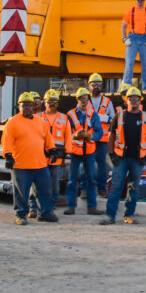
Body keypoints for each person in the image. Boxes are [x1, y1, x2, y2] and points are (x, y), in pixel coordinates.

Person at [99, 87, 146, 225]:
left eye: (136, 98)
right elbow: (111, 136)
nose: (133, 101)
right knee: (116, 186)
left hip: (138, 159)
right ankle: (110, 215)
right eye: (131, 98)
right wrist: (111, 154)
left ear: (140, 100)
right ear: (126, 100)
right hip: (121, 158)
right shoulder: (119, 115)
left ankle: (128, 215)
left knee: (134, 188)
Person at [2, 92, 57, 225]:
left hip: (40, 164)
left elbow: (47, 137)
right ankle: (20, 215)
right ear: (18, 106)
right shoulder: (13, 122)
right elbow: (6, 140)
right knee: (21, 192)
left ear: (33, 106)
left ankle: (45, 213)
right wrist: (8, 155)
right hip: (21, 165)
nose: (26, 108)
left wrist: (52, 149)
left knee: (45, 190)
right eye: (23, 105)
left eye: (29, 105)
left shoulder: (40, 121)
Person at [29, 89, 70, 218]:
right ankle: (34, 208)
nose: (51, 103)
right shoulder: (38, 117)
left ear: (57, 103)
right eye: (49, 101)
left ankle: (49, 208)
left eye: (54, 101)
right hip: (39, 158)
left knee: (54, 186)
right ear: (44, 102)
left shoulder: (64, 118)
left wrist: (67, 156)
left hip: (56, 159)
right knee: (36, 185)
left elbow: (68, 137)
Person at [63, 86, 103, 215]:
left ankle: (92, 207)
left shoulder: (93, 114)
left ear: (88, 99)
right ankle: (71, 206)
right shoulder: (70, 115)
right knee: (72, 180)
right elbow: (65, 133)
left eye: (85, 98)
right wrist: (75, 135)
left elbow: (100, 132)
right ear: (77, 100)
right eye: (81, 99)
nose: (83, 101)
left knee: (91, 180)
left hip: (89, 151)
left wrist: (91, 136)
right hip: (75, 152)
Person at [122, 0, 146, 91]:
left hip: (144, 39)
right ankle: (127, 86)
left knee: (145, 65)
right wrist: (125, 39)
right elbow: (123, 26)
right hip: (132, 38)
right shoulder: (130, 11)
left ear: (144, 0)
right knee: (129, 63)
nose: (140, 1)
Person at [87, 73, 115, 196]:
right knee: (87, 163)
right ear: (89, 86)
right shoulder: (84, 99)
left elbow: (113, 118)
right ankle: (86, 188)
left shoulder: (107, 101)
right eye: (94, 84)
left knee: (102, 164)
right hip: (88, 138)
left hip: (102, 139)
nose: (96, 87)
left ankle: (101, 188)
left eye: (99, 84)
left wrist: (102, 117)